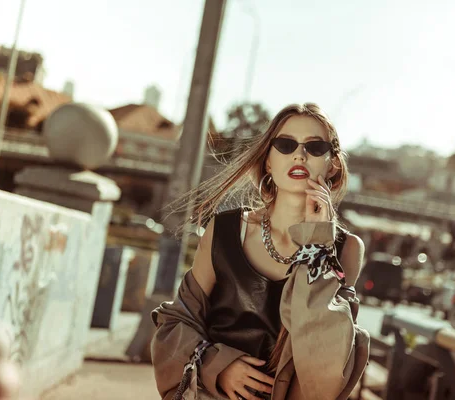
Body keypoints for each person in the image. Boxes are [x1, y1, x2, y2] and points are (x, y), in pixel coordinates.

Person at [151, 103, 370, 400]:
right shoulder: (226, 230)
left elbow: (325, 372)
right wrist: (219, 366)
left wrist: (317, 243)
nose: (299, 154)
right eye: (285, 144)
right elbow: (175, 325)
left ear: (332, 164)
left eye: (315, 147)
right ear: (268, 160)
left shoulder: (346, 249)